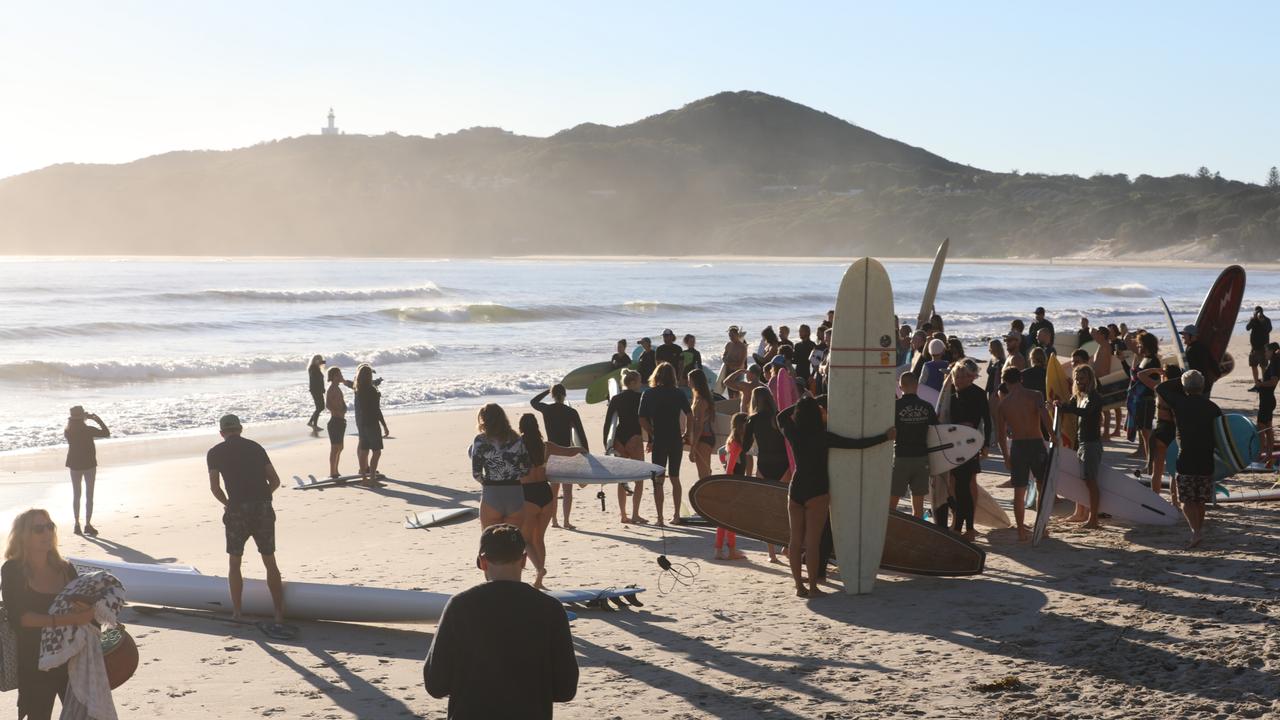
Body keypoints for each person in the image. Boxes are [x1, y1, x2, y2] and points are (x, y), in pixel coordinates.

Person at [424, 524, 578, 719]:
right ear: (523, 560)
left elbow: (436, 684)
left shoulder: (460, 606)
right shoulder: (551, 608)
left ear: (483, 562)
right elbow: (565, 689)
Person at [779, 396, 893, 597]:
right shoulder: (824, 437)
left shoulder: (794, 433)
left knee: (795, 542)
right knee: (813, 542)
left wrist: (804, 403)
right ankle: (813, 588)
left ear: (798, 415)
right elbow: (858, 444)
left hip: (796, 489)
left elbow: (781, 416)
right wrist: (885, 437)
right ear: (818, 415)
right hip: (817, 491)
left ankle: (799, 587)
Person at [2, 509, 94, 720]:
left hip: (72, 657)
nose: (46, 532)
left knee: (84, 715)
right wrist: (71, 619)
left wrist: (89, 610)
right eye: (38, 528)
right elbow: (22, 618)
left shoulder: (65, 568)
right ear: (23, 535)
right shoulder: (12, 570)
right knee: (39, 715)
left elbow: (84, 607)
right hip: (35, 662)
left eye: (49, 526)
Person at [206, 415, 286, 627]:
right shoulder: (255, 447)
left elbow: (215, 487)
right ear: (240, 429)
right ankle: (278, 614)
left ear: (222, 433)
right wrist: (263, 497)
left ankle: (237, 613)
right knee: (270, 561)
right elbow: (275, 480)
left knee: (235, 562)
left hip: (237, 510)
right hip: (262, 508)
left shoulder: (215, 453)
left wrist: (228, 503)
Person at [517, 413, 584, 589]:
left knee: (526, 540)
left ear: (521, 427)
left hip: (527, 494)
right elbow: (570, 451)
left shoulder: (517, 446)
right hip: (546, 494)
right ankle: (539, 581)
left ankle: (540, 569)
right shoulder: (546, 446)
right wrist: (583, 450)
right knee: (539, 539)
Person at [1156, 370, 1222, 548]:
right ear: (1202, 387)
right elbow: (1222, 433)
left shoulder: (1180, 402)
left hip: (1186, 456)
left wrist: (1183, 381)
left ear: (1185, 387)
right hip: (1206, 457)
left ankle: (1196, 532)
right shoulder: (1212, 407)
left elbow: (1160, 387)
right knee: (1200, 500)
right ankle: (1198, 530)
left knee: (1186, 500)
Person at [995, 366, 1049, 542]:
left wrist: (1006, 457)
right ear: (1021, 379)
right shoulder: (1035, 395)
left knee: (1019, 491)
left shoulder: (1003, 404)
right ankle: (1043, 527)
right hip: (1036, 444)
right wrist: (1055, 437)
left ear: (1005, 381)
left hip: (1018, 447)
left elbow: (1001, 436)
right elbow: (1045, 416)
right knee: (1042, 487)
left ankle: (1021, 532)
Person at [638, 362, 692, 526]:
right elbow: (690, 415)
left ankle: (660, 518)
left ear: (656, 376)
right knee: (675, 478)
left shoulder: (648, 394)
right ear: (673, 377)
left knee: (658, 480)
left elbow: (641, 418)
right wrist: (687, 434)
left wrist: (651, 433)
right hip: (675, 439)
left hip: (659, 440)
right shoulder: (679, 393)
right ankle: (676, 515)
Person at [531, 384, 589, 530]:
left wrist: (546, 391)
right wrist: (586, 454)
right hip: (567, 452)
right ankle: (567, 521)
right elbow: (580, 434)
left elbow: (533, 402)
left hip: (551, 453)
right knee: (567, 490)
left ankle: (554, 520)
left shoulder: (546, 409)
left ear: (552, 395)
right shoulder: (571, 411)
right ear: (565, 395)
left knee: (553, 491)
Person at [1056, 365, 1103, 528]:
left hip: (1091, 444)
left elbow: (1086, 412)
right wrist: (1057, 404)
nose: (1079, 381)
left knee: (1091, 482)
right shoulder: (1079, 396)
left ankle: (1094, 519)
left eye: (1082, 378)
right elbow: (1068, 406)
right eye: (1077, 378)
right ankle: (1083, 515)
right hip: (1081, 443)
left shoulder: (1094, 397)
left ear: (1090, 379)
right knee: (1085, 481)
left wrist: (1066, 408)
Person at [470, 404, 532, 529]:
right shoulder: (516, 439)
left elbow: (476, 473)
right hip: (515, 493)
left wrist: (488, 481)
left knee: (490, 543)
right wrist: (512, 474)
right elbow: (526, 469)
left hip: (492, 492)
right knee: (514, 543)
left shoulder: (481, 440)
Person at [743, 387, 785, 563]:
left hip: (764, 465)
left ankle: (771, 554)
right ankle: (786, 546)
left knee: (768, 510)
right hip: (784, 466)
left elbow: (745, 447)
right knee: (785, 508)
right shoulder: (780, 417)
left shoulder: (753, 419)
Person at [603, 370, 647, 523]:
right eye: (640, 381)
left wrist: (607, 444)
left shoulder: (616, 398)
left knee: (622, 478)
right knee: (639, 478)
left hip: (619, 439)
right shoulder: (641, 397)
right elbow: (644, 419)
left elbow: (609, 422)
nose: (641, 384)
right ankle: (635, 514)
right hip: (634, 437)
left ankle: (623, 515)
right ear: (633, 382)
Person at [891, 372, 936, 519]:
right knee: (918, 505)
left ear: (900, 387)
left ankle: (888, 532)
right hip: (921, 458)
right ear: (917, 386)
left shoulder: (894, 406)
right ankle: (916, 533)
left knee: (892, 502)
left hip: (901, 457)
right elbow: (936, 431)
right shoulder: (927, 407)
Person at [63, 406, 109, 536]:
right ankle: (88, 524)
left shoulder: (68, 431)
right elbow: (106, 433)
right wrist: (96, 419)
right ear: (83, 416)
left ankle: (77, 524)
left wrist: (83, 417)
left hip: (74, 465)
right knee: (89, 495)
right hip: (89, 464)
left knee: (76, 495)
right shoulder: (88, 430)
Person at [1138, 364, 1182, 500]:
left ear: (1166, 376)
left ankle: (1155, 500)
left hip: (1161, 431)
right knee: (1174, 472)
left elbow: (1140, 375)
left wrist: (1156, 370)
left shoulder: (1159, 389)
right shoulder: (1181, 392)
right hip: (1174, 432)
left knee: (1157, 471)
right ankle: (1174, 501)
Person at [714, 413, 749, 561]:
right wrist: (730, 483)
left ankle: (718, 550)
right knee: (730, 519)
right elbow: (730, 468)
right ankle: (732, 551)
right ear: (742, 426)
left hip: (730, 483)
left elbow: (721, 453)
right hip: (732, 484)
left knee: (723, 519)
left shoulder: (731, 441)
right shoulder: (736, 444)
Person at [1129, 333, 1160, 468]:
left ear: (1146, 346)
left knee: (1147, 433)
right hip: (1140, 400)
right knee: (1143, 432)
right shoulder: (1145, 359)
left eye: (1140, 344)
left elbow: (1157, 382)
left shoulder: (1153, 360)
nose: (1138, 346)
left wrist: (1142, 378)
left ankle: (1151, 463)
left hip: (1147, 400)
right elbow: (1133, 376)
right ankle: (1149, 462)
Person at [353, 363, 388, 485]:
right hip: (372, 423)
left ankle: (364, 479)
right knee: (376, 451)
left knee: (364, 450)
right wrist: (384, 425)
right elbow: (376, 410)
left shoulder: (358, 390)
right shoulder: (371, 390)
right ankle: (372, 478)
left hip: (362, 423)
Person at [686, 368, 716, 482]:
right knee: (706, 473)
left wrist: (693, 448)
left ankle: (708, 498)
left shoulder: (701, 400)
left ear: (695, 381)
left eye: (689, 380)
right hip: (706, 437)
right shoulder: (700, 397)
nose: (688, 382)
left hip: (704, 438)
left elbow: (699, 426)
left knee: (704, 476)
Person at [1253, 342, 1279, 469]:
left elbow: (1274, 381)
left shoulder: (1274, 363)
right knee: (1268, 428)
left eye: (1266, 351)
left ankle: (1261, 455)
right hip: (1268, 400)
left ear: (1272, 351)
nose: (1265, 353)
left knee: (1261, 428)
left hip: (1267, 401)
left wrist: (1260, 384)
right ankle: (1268, 455)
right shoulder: (1274, 362)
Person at [325, 366, 348, 478]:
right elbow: (328, 405)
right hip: (335, 421)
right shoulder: (332, 389)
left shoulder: (338, 388)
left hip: (340, 421)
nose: (341, 376)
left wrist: (343, 408)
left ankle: (336, 470)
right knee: (335, 448)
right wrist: (336, 411)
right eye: (339, 375)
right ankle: (332, 471)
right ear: (334, 376)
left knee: (340, 447)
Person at [1182, 325, 1218, 395]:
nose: (1182, 337)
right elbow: (1212, 361)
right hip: (1204, 385)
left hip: (1196, 386)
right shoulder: (1200, 346)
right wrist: (1217, 373)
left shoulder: (1192, 350)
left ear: (1192, 336)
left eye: (1185, 335)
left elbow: (1190, 368)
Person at [718, 326, 748, 396]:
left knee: (737, 393)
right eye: (729, 335)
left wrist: (729, 362)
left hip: (738, 373)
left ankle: (738, 406)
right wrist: (725, 359)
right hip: (728, 372)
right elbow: (724, 355)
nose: (731, 337)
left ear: (737, 335)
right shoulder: (728, 345)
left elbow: (740, 364)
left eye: (732, 335)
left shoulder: (742, 347)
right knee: (731, 393)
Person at [1247, 307, 1272, 385]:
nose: (1258, 314)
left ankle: (1264, 384)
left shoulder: (1267, 320)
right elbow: (1247, 328)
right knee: (1253, 366)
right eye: (1257, 312)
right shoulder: (1253, 320)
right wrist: (1253, 319)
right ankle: (1257, 384)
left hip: (1263, 348)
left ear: (1262, 312)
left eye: (1259, 312)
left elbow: (1269, 330)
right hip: (1254, 348)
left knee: (1263, 366)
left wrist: (1262, 322)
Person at [306, 354, 326, 428]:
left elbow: (320, 380)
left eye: (320, 359)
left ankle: (311, 422)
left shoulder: (316, 368)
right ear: (315, 360)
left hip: (318, 390)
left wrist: (323, 388)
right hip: (315, 390)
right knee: (320, 407)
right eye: (318, 360)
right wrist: (321, 388)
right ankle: (314, 424)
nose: (320, 361)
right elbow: (316, 380)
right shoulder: (312, 368)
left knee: (320, 407)